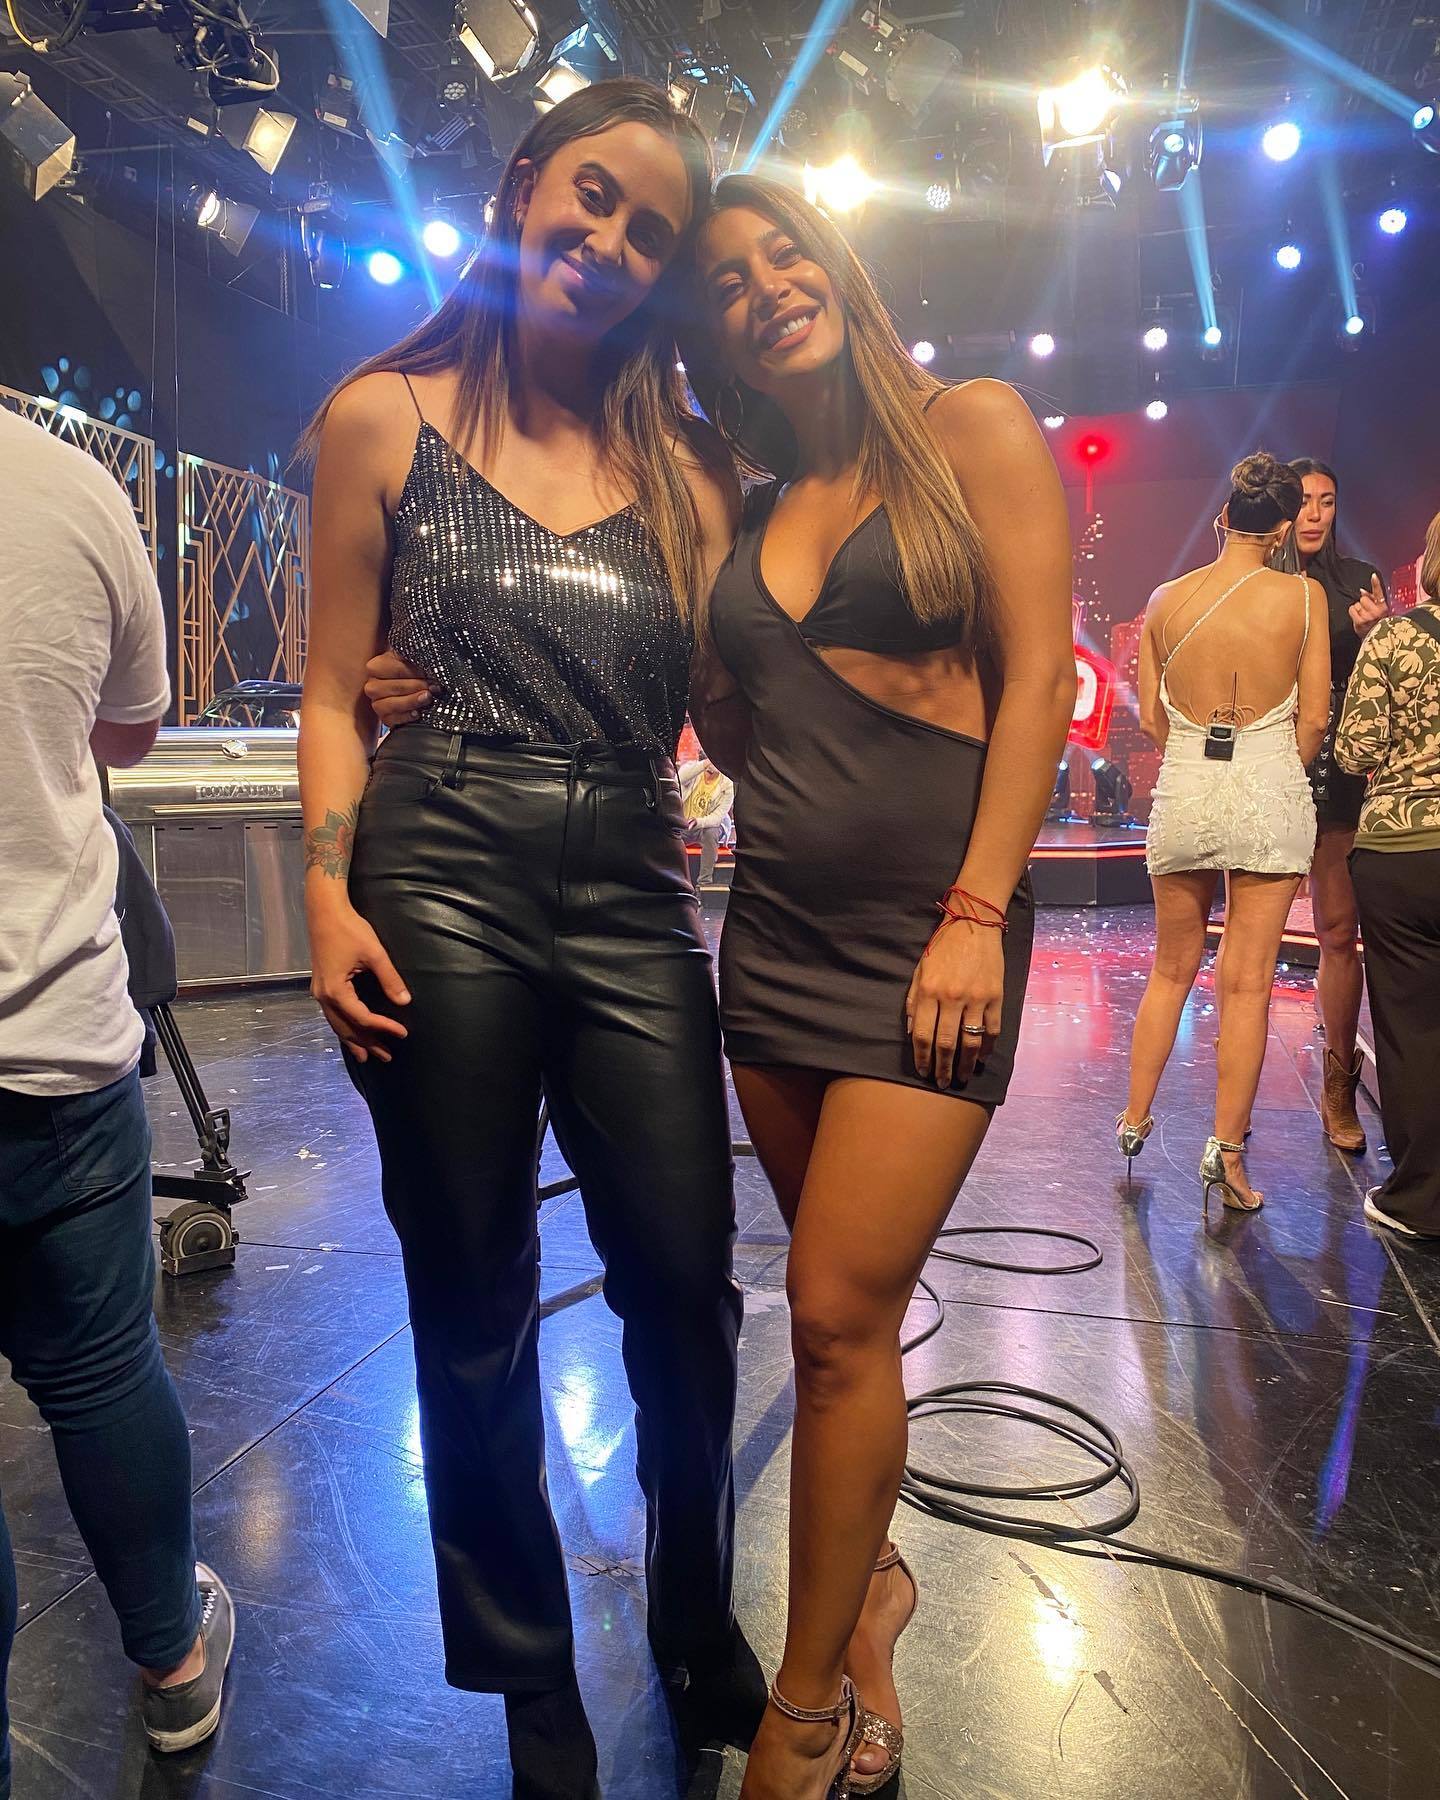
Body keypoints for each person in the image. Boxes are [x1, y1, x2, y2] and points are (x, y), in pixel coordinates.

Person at [297, 81, 753, 1798]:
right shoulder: (380, 417)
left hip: (634, 876)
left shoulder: (690, 472)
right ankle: (527, 1675)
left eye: (652, 229)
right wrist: (325, 893)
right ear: (522, 188)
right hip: (440, 864)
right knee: (471, 1290)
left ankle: (694, 1614)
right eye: (594, 194)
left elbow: (733, 704)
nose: (612, 240)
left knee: (688, 1293)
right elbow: (331, 695)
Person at [683, 175, 1074, 1800]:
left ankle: (800, 1710)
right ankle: (874, 1594)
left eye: (784, 253)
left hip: (934, 940)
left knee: (838, 1311)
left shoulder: (967, 427)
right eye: (725, 280)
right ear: (712, 334)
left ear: (835, 266)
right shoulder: (752, 499)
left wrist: (977, 907)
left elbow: (1037, 679)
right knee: (841, 1333)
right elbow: (734, 722)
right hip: (774, 939)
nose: (765, 285)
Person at [0, 406, 234, 1799]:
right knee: (100, 1374)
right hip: (52, 1033)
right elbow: (129, 732)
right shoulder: (70, 487)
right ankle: (172, 1667)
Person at [1119, 453, 1330, 1212]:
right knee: (1247, 984)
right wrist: (1267, 765)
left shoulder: (1164, 599)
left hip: (1187, 788)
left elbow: (1151, 717)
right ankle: (1227, 1159)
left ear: (1224, 518)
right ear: (1283, 529)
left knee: (1170, 968)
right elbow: (1313, 719)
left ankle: (1133, 1122)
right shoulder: (1303, 597)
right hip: (1268, 787)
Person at [1335, 508, 1440, 1238]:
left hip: (1403, 855)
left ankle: (1420, 1199)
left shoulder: (1396, 638)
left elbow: (1354, 750)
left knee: (1412, 1028)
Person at [1284, 459, 1389, 1151]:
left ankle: (1338, 1085)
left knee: (1337, 930)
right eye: (1303, 501)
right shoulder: (1263, 584)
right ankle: (1231, 1109)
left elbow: (1386, 682)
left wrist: (1376, 634)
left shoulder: (1359, 581)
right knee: (1251, 939)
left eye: (1327, 501)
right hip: (1271, 762)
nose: (1315, 514)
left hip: (1341, 773)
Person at [679, 752, 735, 888]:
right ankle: (674, 882)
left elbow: (717, 818)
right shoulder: (693, 771)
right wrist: (705, 764)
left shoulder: (727, 784)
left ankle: (704, 884)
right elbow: (679, 779)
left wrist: (698, 822)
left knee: (711, 831)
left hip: (707, 826)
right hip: (684, 825)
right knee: (667, 834)